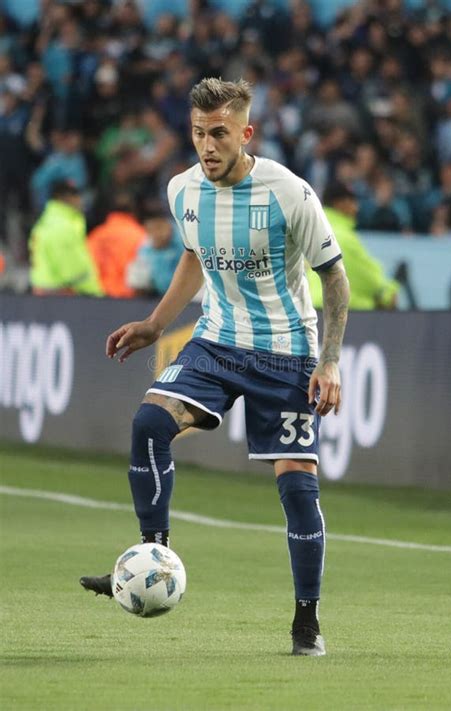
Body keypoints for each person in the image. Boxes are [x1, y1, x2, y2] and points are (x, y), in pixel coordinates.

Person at [80, 78, 350, 657]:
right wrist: (156, 323)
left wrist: (329, 361)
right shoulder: (182, 190)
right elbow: (194, 256)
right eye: (199, 133)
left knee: (297, 487)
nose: (207, 145)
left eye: (220, 133)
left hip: (285, 351)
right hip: (217, 342)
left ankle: (307, 619)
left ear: (245, 133)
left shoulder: (289, 192)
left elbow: (334, 277)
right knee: (149, 424)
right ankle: (153, 560)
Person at [307, 182, 400, 310]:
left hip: (311, 309)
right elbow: (371, 281)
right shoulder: (342, 238)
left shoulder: (312, 232)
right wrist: (388, 293)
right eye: (353, 201)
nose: (357, 208)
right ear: (340, 204)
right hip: (336, 312)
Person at [29, 180, 102, 296]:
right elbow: (73, 270)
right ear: (65, 198)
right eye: (76, 195)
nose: (81, 200)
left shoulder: (47, 222)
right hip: (62, 295)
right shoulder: (62, 227)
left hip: (47, 292)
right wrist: (95, 294)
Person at [87, 191, 146, 298]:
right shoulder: (140, 235)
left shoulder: (96, 235)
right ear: (134, 210)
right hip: (128, 296)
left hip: (98, 294)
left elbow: (87, 264)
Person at [126, 204, 184, 296]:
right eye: (150, 229)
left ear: (169, 225)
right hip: (156, 297)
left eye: (159, 227)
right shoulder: (144, 249)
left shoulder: (184, 245)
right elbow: (137, 284)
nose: (156, 234)